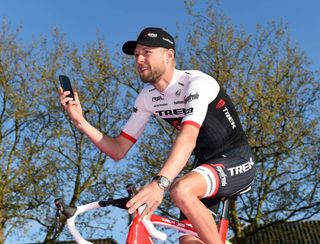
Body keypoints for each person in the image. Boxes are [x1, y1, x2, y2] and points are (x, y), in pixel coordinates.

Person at [59, 27, 256, 244]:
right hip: (204, 166)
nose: (139, 59)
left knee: (180, 190)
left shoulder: (197, 83)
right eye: (136, 55)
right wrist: (80, 121)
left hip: (237, 159)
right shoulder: (147, 97)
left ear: (169, 55)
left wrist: (160, 184)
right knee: (188, 241)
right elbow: (118, 149)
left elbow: (188, 136)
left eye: (146, 52)